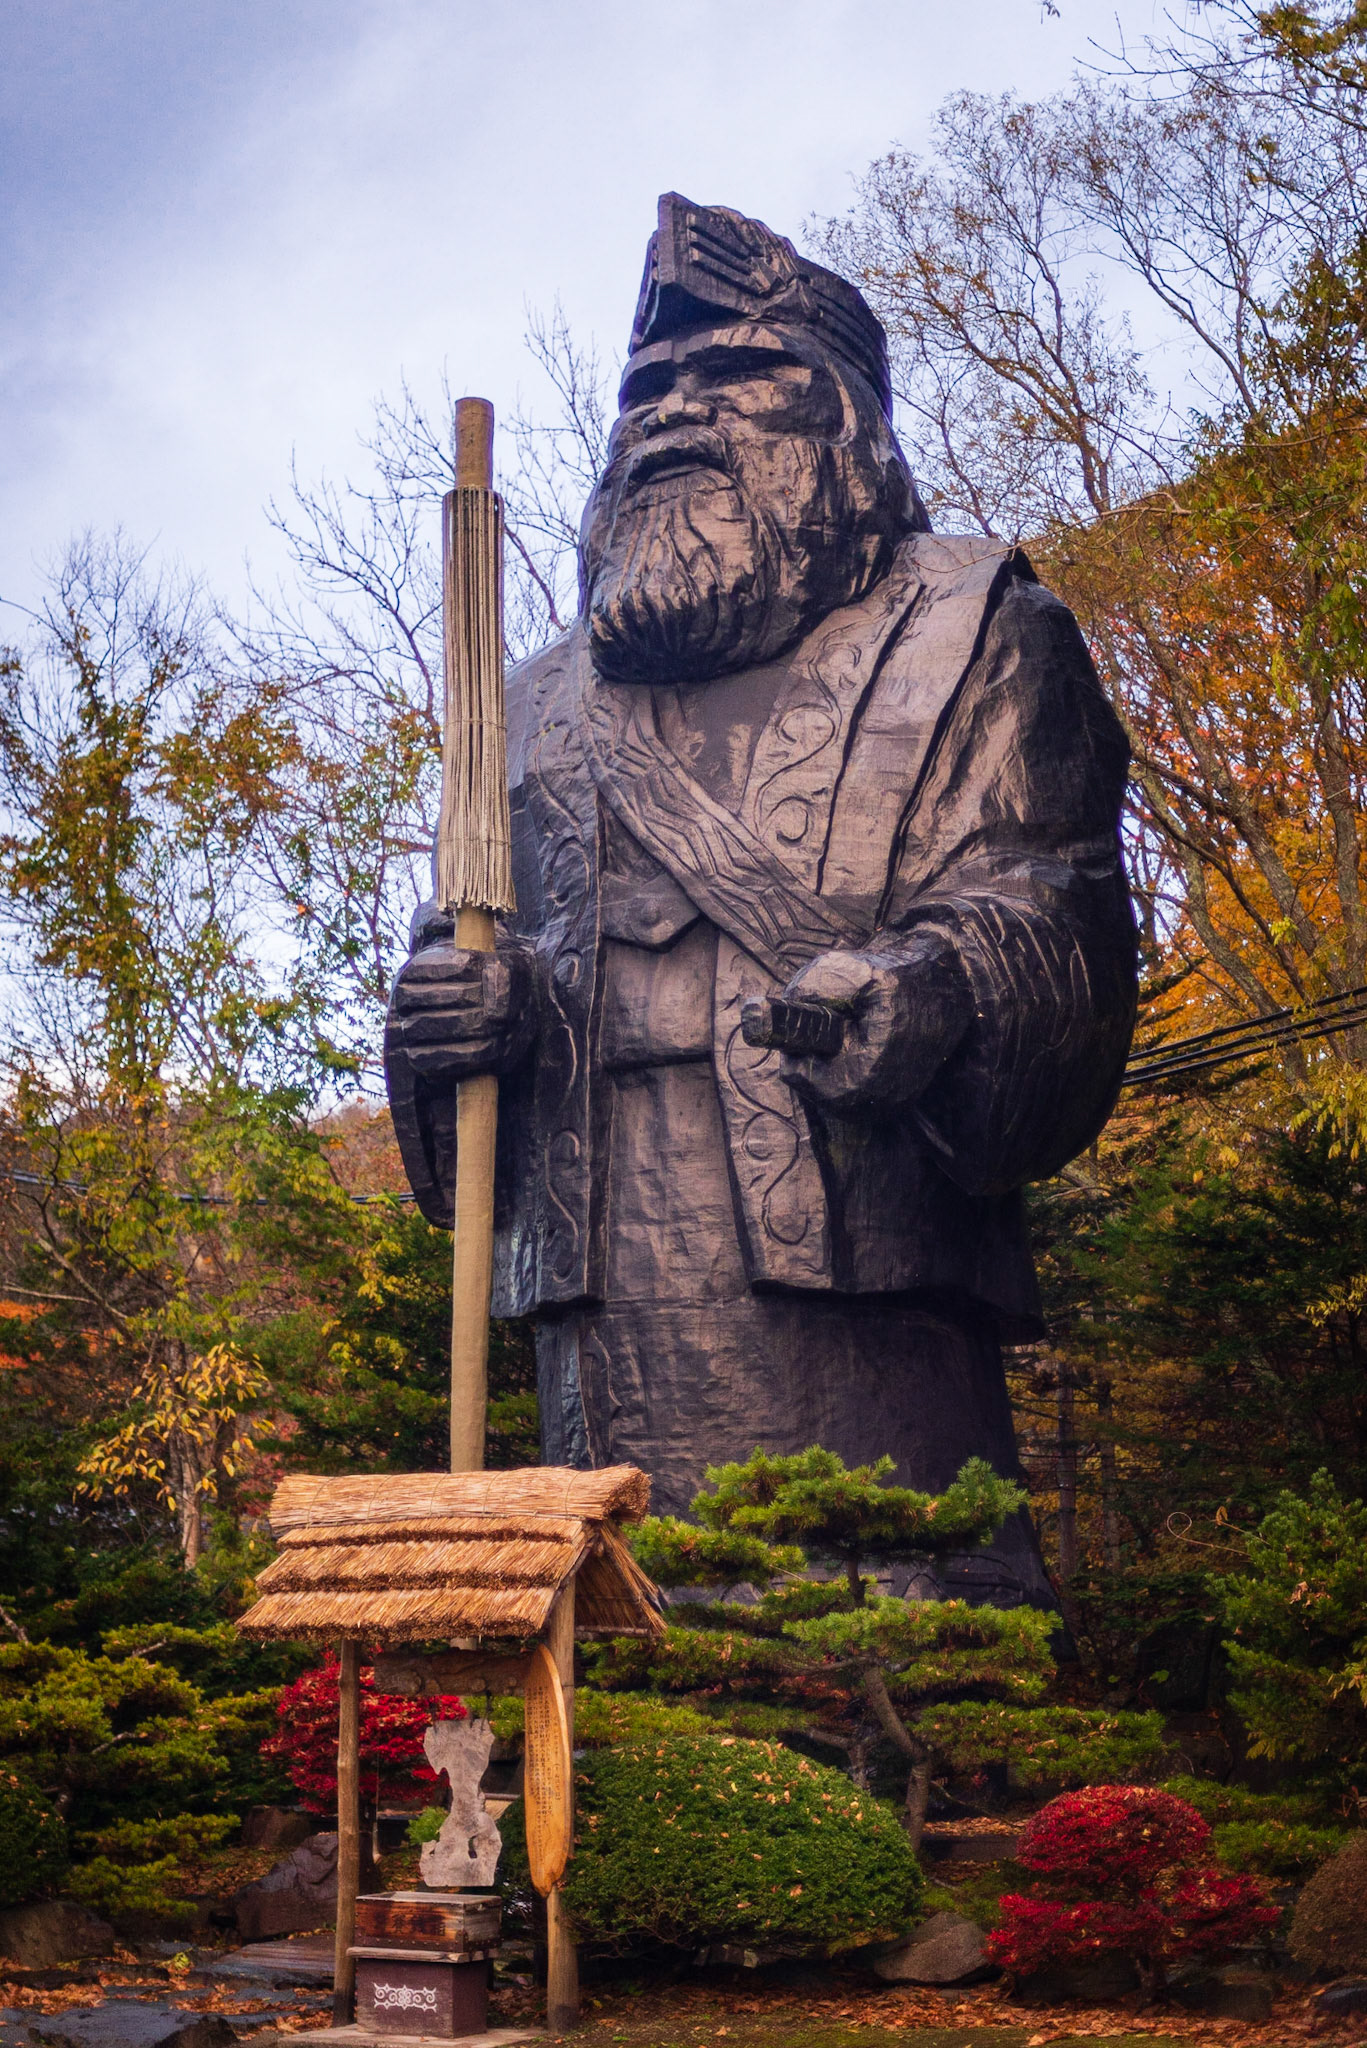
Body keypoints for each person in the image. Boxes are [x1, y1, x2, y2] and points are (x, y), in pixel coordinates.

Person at [385, 193, 1136, 1603]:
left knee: (881, 1631)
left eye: (731, 373)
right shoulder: (532, 704)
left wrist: (939, 987)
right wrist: (460, 1011)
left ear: (844, 419)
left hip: (856, 1264)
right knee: (629, 1634)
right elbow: (491, 933)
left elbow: (1055, 899)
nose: (674, 406)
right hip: (603, 1263)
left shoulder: (974, 624)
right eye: (649, 387)